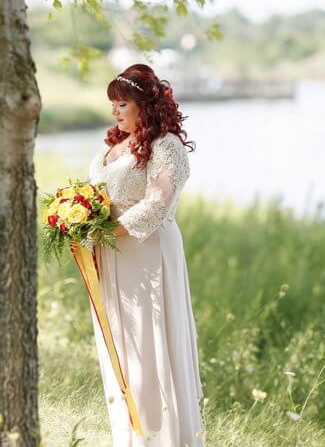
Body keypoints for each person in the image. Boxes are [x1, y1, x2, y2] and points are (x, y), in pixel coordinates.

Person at [88, 63, 204, 446]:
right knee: (122, 340)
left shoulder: (165, 145)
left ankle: (164, 436)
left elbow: (159, 202)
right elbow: (98, 196)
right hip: (111, 253)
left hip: (148, 251)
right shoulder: (114, 145)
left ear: (144, 105)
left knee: (151, 339)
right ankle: (130, 433)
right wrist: (80, 221)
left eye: (123, 104)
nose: (115, 111)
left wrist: (109, 231)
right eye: (113, 104)